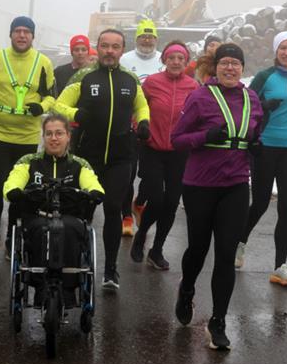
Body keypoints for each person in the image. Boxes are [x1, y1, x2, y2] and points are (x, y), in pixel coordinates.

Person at [171, 43, 264, 351]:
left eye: (235, 64)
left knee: (226, 254)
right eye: (225, 63)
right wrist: (204, 137)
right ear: (216, 67)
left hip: (236, 185)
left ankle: (218, 321)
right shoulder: (199, 97)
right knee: (198, 249)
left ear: (242, 68)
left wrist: (255, 145)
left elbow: (254, 131)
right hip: (200, 185)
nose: (230, 68)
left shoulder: (251, 98)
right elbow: (177, 139)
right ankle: (186, 288)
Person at [55, 29, 150, 289]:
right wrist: (77, 113)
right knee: (81, 211)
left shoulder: (130, 79)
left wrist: (144, 121)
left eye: (115, 46)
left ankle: (110, 270)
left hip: (121, 157)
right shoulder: (84, 76)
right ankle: (73, 264)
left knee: (112, 210)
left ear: (122, 50)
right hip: (87, 157)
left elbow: (141, 105)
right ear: (98, 48)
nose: (110, 51)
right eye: (105, 46)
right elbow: (58, 105)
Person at [0, 16, 55, 262]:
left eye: (26, 32)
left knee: (20, 190)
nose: (21, 36)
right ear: (10, 35)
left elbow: (51, 96)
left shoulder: (44, 63)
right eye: (17, 31)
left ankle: (12, 235)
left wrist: (42, 107)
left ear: (32, 36)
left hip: (27, 136)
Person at [236, 31, 287, 285]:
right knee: (259, 203)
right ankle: (240, 243)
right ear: (276, 51)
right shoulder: (265, 76)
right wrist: (264, 103)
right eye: (283, 48)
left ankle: (280, 266)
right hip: (265, 145)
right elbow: (247, 102)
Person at [3, 113, 104, 292]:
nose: (54, 138)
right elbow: (14, 179)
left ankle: (69, 287)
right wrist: (14, 191)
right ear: (43, 137)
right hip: (37, 217)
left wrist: (95, 192)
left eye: (59, 133)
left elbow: (92, 182)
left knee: (71, 229)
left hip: (69, 217)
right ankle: (39, 283)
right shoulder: (29, 161)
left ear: (68, 136)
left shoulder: (80, 164)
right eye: (49, 134)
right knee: (39, 230)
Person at [129, 41, 198, 270]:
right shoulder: (152, 82)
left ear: (186, 62)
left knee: (171, 203)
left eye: (180, 58)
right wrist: (139, 126)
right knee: (157, 199)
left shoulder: (193, 86)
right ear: (164, 61)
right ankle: (141, 236)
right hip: (152, 148)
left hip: (179, 152)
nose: (176, 62)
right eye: (171, 58)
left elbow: (200, 115)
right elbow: (138, 107)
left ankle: (157, 249)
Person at [119, 19, 164, 237]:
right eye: (143, 36)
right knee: (128, 173)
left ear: (156, 39)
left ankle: (140, 201)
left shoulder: (163, 60)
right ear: (136, 39)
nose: (147, 40)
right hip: (129, 125)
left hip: (156, 127)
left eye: (151, 37)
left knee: (149, 173)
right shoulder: (125, 59)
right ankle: (125, 215)